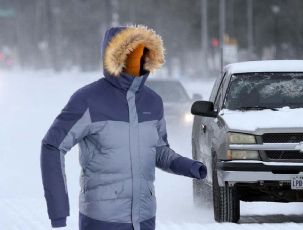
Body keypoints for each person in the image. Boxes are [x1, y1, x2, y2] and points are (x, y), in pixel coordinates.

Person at [40, 25, 207, 230]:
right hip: (101, 221)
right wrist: (58, 211)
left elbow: (159, 151)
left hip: (144, 219)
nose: (139, 59)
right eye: (131, 54)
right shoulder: (88, 100)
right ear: (115, 57)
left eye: (144, 53)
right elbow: (52, 146)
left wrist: (189, 166)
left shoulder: (153, 102)